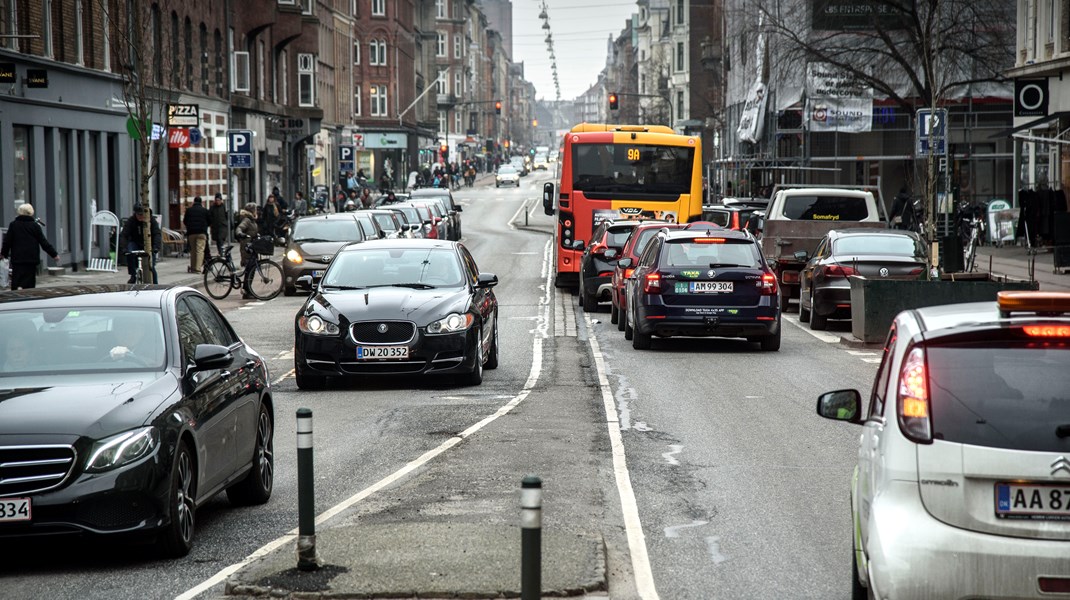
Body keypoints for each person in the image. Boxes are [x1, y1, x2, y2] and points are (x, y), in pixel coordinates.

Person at [0, 203, 59, 290]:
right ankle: (28, 299)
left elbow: (7, 242)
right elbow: (43, 242)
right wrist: (54, 254)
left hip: (17, 259)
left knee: (16, 282)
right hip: (31, 259)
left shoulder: (13, 225)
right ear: (31, 212)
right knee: (29, 284)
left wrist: (3, 254)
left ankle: (16, 298)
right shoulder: (35, 226)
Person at [119, 203, 162, 284]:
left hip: (149, 244)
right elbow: (124, 235)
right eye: (138, 215)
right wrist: (123, 248)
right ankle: (133, 275)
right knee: (130, 252)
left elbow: (157, 234)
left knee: (151, 266)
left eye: (142, 214)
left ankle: (155, 284)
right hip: (135, 242)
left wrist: (156, 247)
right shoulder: (131, 221)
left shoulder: (151, 220)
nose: (140, 217)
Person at [234, 203, 260, 299]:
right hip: (247, 248)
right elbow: (239, 228)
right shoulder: (247, 220)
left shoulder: (252, 220)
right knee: (250, 269)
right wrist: (240, 234)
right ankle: (246, 291)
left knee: (251, 269)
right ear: (252, 211)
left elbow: (252, 231)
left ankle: (248, 289)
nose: (256, 211)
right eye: (255, 209)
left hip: (252, 247)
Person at [183, 196, 210, 273]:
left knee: (193, 251)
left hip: (191, 233)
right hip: (202, 233)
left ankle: (193, 267)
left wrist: (190, 226)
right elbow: (210, 221)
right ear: (201, 202)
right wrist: (204, 226)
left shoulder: (189, 210)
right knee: (200, 250)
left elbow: (185, 221)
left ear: (194, 202)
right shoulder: (205, 211)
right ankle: (198, 268)